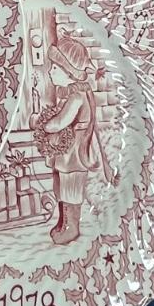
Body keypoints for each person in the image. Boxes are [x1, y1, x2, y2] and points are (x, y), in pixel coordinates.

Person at [39, 35, 109, 245]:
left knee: (70, 188)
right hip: (67, 153)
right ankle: (63, 222)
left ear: (69, 72)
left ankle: (72, 227)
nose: (50, 71)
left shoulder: (76, 97)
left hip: (74, 154)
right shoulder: (71, 94)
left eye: (55, 68)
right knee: (62, 186)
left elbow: (60, 122)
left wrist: (47, 125)